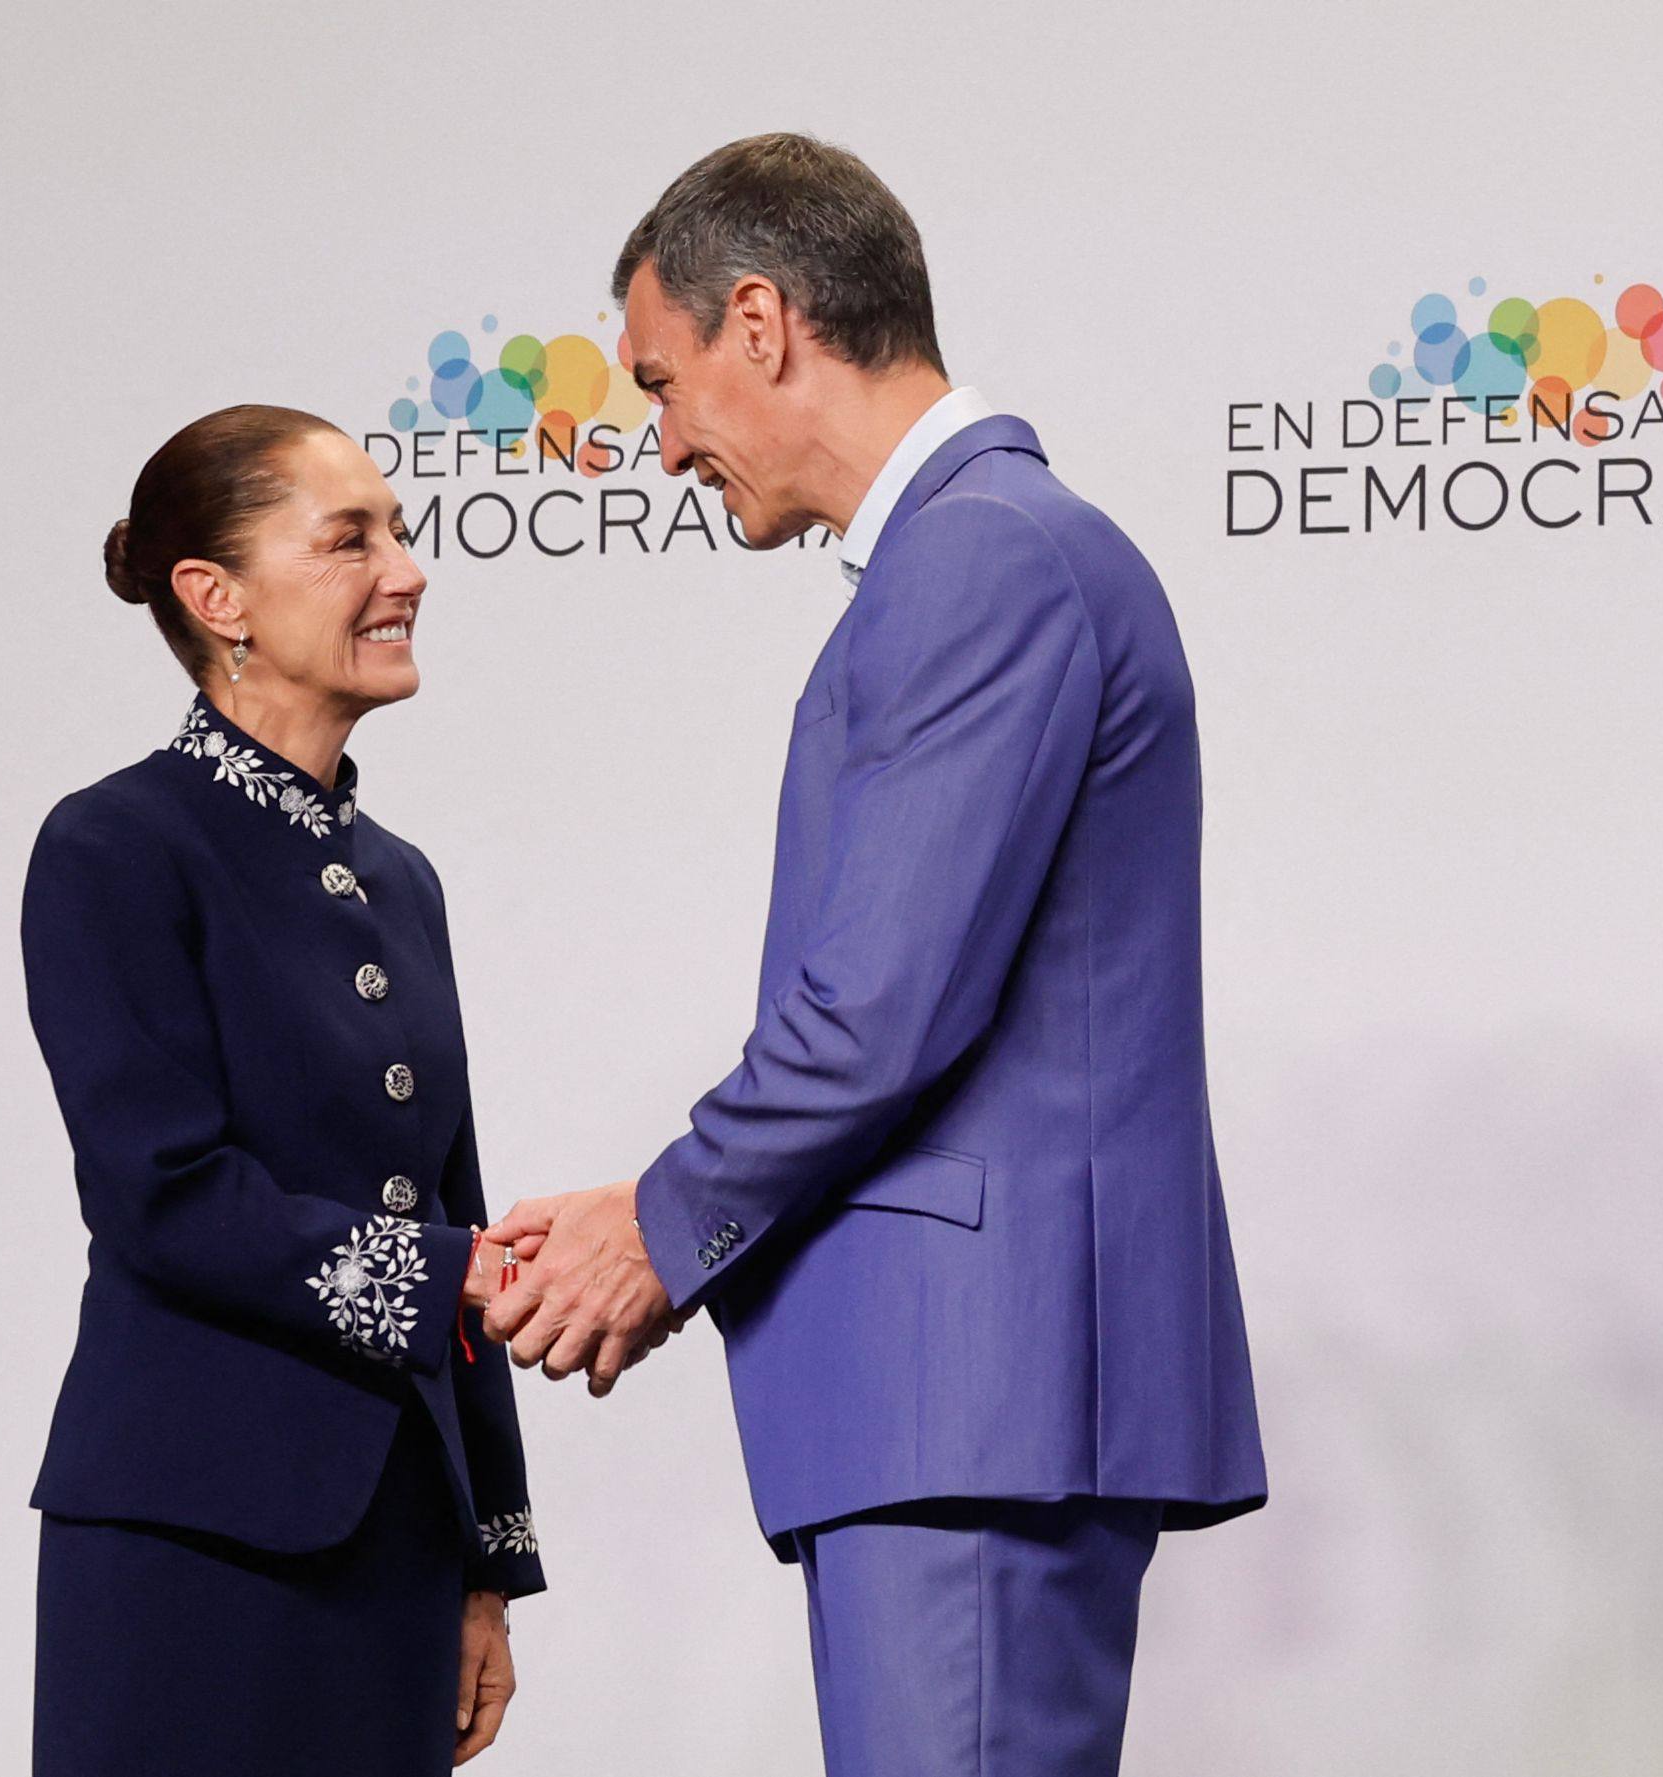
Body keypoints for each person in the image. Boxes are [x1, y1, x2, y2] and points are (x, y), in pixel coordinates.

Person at [483, 134, 1268, 1775]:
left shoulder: (981, 554)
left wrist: (662, 1223)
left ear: (760, 323)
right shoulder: (976, 552)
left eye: (660, 382)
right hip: (952, 1404)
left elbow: (880, 1008)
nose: (658, 446)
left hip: (968, 1399)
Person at [19, 404, 543, 1774]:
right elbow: (163, 1195)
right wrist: (454, 1273)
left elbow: (445, 1200)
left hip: (399, 1549)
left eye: (400, 532)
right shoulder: (115, 845)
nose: (407, 571)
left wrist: (487, 1561)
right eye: (349, 538)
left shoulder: (401, 880)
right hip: (192, 1538)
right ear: (218, 598)